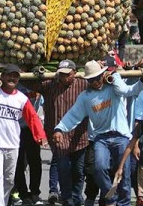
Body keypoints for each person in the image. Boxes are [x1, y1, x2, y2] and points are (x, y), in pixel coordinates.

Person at [54, 61, 143, 206]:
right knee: (98, 168)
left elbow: (129, 91)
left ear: (103, 75)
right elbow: (73, 115)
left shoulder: (114, 87)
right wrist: (59, 129)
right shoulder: (86, 96)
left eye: (97, 78)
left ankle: (124, 203)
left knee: (125, 173)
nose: (95, 82)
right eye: (91, 79)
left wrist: (116, 77)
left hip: (121, 136)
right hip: (100, 138)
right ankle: (111, 196)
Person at [0, 65, 47, 206]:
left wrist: (40, 136)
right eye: (9, 75)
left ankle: (2, 202)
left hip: (12, 144)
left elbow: (32, 117)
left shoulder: (21, 99)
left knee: (9, 180)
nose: (12, 78)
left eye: (15, 76)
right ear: (2, 77)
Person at [27, 60, 88, 206]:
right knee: (63, 168)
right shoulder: (50, 84)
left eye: (67, 74)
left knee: (78, 171)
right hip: (57, 135)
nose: (64, 77)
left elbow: (99, 81)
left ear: (74, 73)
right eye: (61, 74)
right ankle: (67, 198)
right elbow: (29, 83)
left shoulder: (82, 84)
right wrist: (32, 72)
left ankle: (76, 196)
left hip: (79, 135)